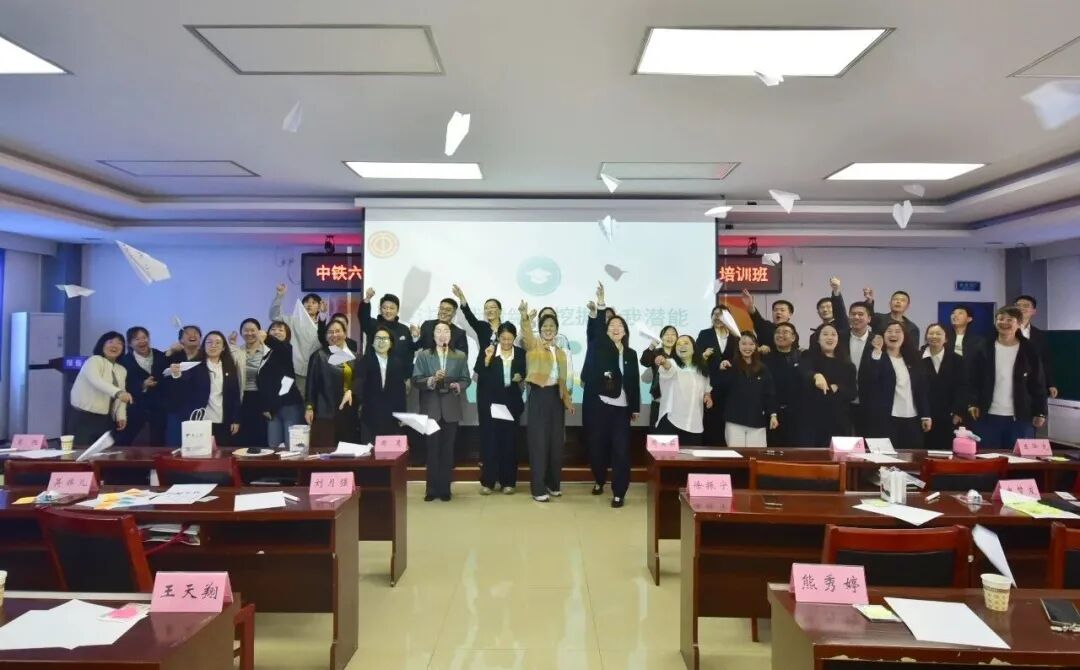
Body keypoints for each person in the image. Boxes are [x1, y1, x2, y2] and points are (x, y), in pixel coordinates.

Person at [967, 306, 1048, 449]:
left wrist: (1040, 412)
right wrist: (972, 403)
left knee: (1019, 459)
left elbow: (1038, 382)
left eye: (1009, 320)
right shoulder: (983, 347)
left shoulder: (1029, 349)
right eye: (1000, 319)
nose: (1004, 322)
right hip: (988, 415)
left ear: (1019, 323)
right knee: (987, 457)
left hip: (1020, 417)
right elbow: (973, 379)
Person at [519, 302, 574, 503]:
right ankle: (538, 488)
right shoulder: (534, 345)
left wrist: (567, 401)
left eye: (552, 327)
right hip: (539, 396)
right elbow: (526, 334)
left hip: (556, 398)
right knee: (539, 443)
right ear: (540, 330)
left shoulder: (560, 352)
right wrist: (525, 317)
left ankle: (553, 483)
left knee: (555, 443)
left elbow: (563, 379)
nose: (548, 330)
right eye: (545, 327)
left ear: (557, 330)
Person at [412, 322, 471, 501]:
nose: (442, 334)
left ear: (450, 336)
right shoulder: (423, 355)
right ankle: (431, 489)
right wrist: (431, 379)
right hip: (431, 408)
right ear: (433, 335)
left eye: (446, 331)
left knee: (447, 450)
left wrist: (457, 385)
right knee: (432, 449)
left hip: (451, 408)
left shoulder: (459, 356)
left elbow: (466, 379)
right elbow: (416, 379)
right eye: (438, 331)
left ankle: (445, 489)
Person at [586, 315, 640, 508]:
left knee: (621, 450)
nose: (616, 328)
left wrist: (635, 407)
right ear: (606, 331)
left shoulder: (631, 354)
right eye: (611, 326)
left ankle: (619, 492)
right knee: (598, 448)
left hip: (622, 409)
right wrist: (598, 312)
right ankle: (599, 479)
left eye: (620, 326)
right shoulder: (600, 350)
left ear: (625, 332)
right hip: (601, 405)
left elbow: (634, 381)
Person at [859, 322, 931, 448]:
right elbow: (870, 381)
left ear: (905, 336)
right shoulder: (876, 356)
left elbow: (921, 389)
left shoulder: (913, 359)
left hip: (911, 417)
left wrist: (925, 415)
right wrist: (877, 351)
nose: (893, 334)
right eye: (889, 331)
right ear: (882, 336)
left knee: (911, 454)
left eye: (898, 331)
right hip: (886, 417)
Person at [167, 331, 242, 447]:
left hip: (223, 419)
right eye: (209, 342)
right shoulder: (195, 365)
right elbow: (183, 381)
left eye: (218, 343)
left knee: (222, 452)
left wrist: (236, 419)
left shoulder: (229, 367)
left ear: (223, 348)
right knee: (200, 452)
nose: (213, 345)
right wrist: (176, 374)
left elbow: (235, 395)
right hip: (200, 419)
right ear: (204, 346)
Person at [476, 322, 526, 494]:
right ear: (498, 337)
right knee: (491, 443)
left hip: (511, 404)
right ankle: (488, 481)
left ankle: (508, 482)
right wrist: (487, 359)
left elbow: (525, 371)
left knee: (510, 444)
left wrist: (520, 376)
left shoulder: (520, 353)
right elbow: (480, 373)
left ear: (514, 338)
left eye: (509, 339)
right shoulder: (489, 350)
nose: (506, 342)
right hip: (492, 404)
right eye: (503, 338)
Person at [797, 323, 857, 447]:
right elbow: (803, 371)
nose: (830, 337)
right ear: (818, 339)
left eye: (833, 334)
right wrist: (816, 375)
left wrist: (838, 388)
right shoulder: (808, 356)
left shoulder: (848, 365)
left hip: (838, 420)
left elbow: (852, 393)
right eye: (825, 334)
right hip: (812, 418)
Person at [304, 320, 361, 449]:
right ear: (325, 336)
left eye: (337, 331)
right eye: (330, 332)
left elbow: (359, 383)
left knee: (348, 451)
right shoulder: (319, 356)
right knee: (325, 451)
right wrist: (309, 407)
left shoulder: (355, 357)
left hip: (349, 413)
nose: (334, 335)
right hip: (325, 412)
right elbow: (311, 384)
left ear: (345, 334)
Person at [715, 332, 777, 448]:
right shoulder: (730, 365)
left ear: (756, 346)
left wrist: (773, 415)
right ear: (738, 346)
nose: (747, 347)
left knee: (756, 455)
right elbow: (720, 389)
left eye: (751, 344)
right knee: (736, 455)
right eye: (743, 344)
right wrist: (722, 370)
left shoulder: (763, 368)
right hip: (734, 420)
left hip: (757, 420)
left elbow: (769, 393)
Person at [70, 331, 131, 447]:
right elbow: (96, 381)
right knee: (81, 452)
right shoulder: (94, 360)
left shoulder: (121, 369)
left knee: (104, 453)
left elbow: (122, 394)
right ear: (102, 344)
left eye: (119, 343)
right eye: (110, 342)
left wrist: (121, 416)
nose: (115, 345)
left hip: (106, 419)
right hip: (84, 416)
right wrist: (118, 393)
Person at [270, 284, 326, 400]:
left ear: (319, 307)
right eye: (307, 302)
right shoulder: (293, 320)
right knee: (285, 398)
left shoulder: (322, 326)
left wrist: (324, 316)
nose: (309, 305)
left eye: (314, 302)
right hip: (291, 368)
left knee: (307, 401)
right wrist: (279, 296)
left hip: (311, 370)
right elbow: (274, 316)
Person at [654, 335, 712, 446]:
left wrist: (708, 396)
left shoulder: (702, 369)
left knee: (690, 457)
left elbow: (706, 389)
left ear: (694, 348)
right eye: (678, 344)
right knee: (665, 457)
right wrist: (663, 361)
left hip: (695, 425)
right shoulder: (672, 363)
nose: (682, 346)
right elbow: (668, 367)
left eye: (686, 343)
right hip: (671, 422)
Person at [696, 304, 740, 446]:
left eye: (721, 314)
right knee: (711, 423)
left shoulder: (736, 336)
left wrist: (729, 363)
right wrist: (710, 360)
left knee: (729, 424)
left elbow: (741, 358)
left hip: (731, 387)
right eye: (715, 314)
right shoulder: (705, 334)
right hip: (710, 386)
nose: (717, 317)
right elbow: (696, 359)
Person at [115, 326, 167, 446]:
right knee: (127, 443)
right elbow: (123, 385)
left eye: (144, 337)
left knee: (158, 444)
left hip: (159, 409)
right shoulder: (124, 361)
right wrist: (142, 385)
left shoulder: (160, 356)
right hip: (135, 409)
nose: (142, 341)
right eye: (137, 339)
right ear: (130, 343)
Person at [357, 327, 410, 441]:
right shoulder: (365, 361)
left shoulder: (397, 363)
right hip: (370, 414)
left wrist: (402, 414)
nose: (381, 341)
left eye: (385, 338)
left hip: (391, 416)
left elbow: (401, 391)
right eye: (378, 338)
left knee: (389, 449)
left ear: (391, 343)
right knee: (370, 448)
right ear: (372, 343)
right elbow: (359, 385)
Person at [921, 323, 968, 450]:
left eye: (938, 333)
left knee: (945, 450)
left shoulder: (957, 359)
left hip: (949, 415)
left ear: (946, 338)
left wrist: (958, 411)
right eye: (931, 333)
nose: (934, 336)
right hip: (924, 414)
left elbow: (963, 387)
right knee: (923, 450)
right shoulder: (917, 358)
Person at [261, 321, 305, 448]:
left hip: (289, 404)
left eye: (281, 330)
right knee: (273, 445)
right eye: (273, 329)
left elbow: (280, 347)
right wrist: (266, 405)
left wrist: (267, 338)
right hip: (273, 407)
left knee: (293, 446)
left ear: (287, 335)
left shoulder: (286, 348)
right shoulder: (266, 353)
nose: (276, 332)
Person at [763, 323, 801, 446]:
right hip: (773, 413)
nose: (780, 335)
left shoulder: (802, 357)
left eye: (785, 332)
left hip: (797, 414)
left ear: (793, 337)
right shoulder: (765, 359)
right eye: (777, 332)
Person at [358, 288, 415, 371]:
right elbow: (363, 317)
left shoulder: (404, 329)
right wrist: (367, 299)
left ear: (397, 310)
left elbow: (409, 353)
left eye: (392, 308)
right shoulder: (373, 325)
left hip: (398, 374)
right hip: (374, 372)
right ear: (380, 309)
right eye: (385, 308)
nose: (388, 311)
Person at [1015, 295, 1057, 400]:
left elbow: (1044, 361)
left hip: (1034, 385)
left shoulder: (1039, 335)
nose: (1021, 308)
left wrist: (1050, 384)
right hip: (1011, 383)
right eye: (1018, 305)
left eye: (1026, 305)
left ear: (1034, 311)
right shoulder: (1003, 331)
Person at [235, 318, 268, 448]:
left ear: (259, 332)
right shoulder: (237, 352)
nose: (249, 333)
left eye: (252, 330)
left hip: (262, 398)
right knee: (244, 437)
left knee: (262, 436)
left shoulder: (268, 351)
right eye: (246, 330)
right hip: (243, 397)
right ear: (241, 333)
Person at [845, 301, 875, 436]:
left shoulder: (877, 341)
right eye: (853, 314)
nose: (856, 317)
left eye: (860, 314)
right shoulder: (839, 338)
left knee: (867, 439)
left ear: (869, 319)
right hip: (843, 400)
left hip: (869, 401)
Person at [639, 325, 678, 428]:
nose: (670, 337)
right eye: (667, 334)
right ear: (661, 338)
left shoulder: (680, 353)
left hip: (677, 399)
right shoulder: (655, 352)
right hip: (658, 397)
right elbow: (644, 362)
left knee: (675, 431)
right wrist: (651, 346)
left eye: (673, 334)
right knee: (657, 429)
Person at [808, 277, 849, 347]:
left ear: (834, 309)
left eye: (828, 307)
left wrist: (836, 291)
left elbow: (840, 311)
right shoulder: (814, 336)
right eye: (822, 307)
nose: (825, 310)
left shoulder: (841, 325)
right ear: (818, 313)